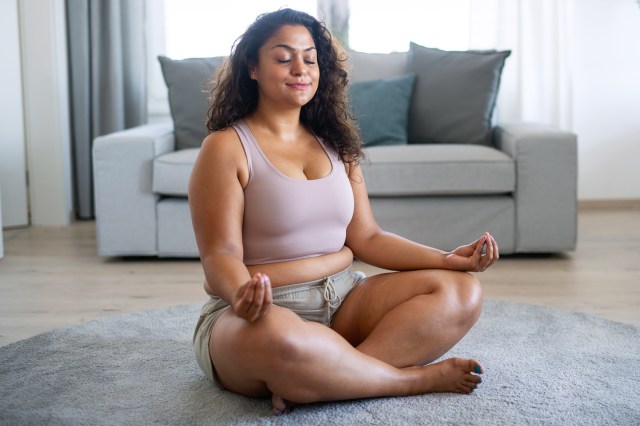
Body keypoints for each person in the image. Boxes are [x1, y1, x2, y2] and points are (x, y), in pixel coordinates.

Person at [189, 8, 499, 415]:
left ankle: (327, 378)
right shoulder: (226, 147)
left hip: (343, 296)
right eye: (283, 58)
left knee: (460, 292)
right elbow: (221, 256)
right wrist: (240, 295)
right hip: (256, 313)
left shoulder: (335, 143)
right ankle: (406, 380)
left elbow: (367, 237)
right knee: (285, 341)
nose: (300, 68)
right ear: (252, 67)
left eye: (310, 58)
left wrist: (446, 259)